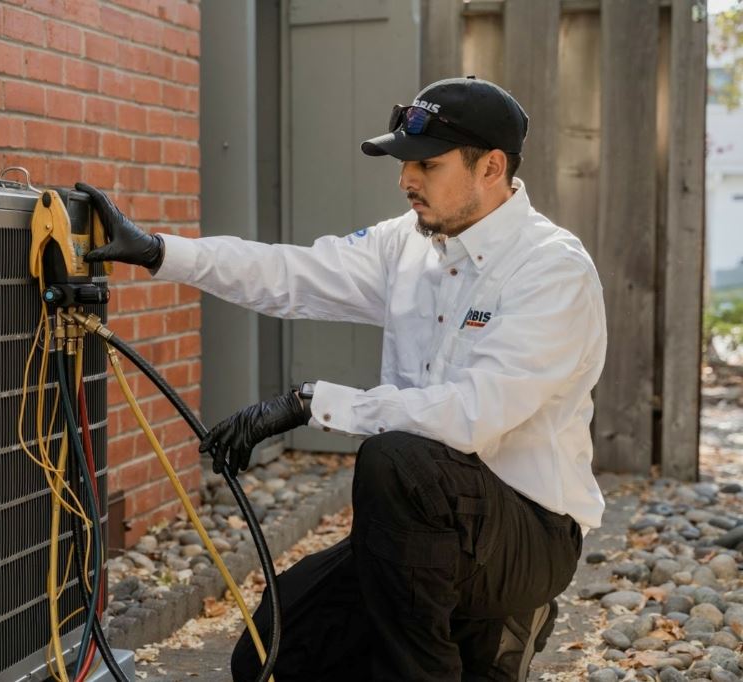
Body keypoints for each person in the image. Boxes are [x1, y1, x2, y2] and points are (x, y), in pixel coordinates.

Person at [76, 76, 606, 682]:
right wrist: (157, 251)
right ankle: (459, 628)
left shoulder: (551, 269)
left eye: (426, 165)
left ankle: (491, 628)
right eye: (404, 163)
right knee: (269, 654)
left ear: (490, 167)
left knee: (397, 460)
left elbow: (471, 415)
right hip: (419, 527)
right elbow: (290, 273)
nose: (406, 180)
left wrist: (311, 403)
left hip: (527, 533)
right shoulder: (406, 244)